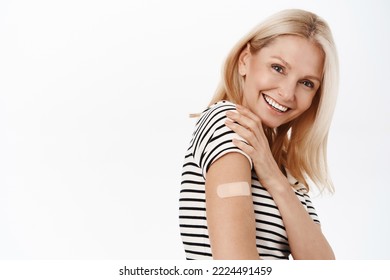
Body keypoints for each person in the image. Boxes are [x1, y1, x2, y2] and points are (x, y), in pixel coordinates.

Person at [179, 9, 338, 260]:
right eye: (278, 68)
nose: (287, 93)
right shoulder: (230, 124)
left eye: (307, 83)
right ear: (244, 61)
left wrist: (276, 179)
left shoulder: (280, 166)